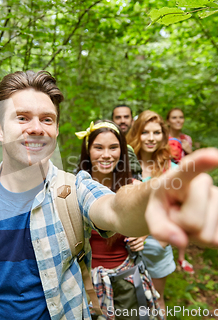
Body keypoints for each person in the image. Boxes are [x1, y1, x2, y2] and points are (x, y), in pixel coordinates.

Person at [0, 70, 218, 320]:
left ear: (55, 129)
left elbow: (115, 208)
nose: (37, 128)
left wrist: (156, 197)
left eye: (47, 119)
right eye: (23, 118)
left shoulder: (75, 189)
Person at [75, 120, 158, 319]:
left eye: (113, 147)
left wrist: (143, 233)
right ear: (88, 150)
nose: (106, 155)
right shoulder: (72, 189)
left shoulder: (134, 187)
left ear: (122, 151)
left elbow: (154, 218)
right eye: (98, 147)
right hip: (85, 283)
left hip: (126, 281)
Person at [126, 110, 182, 315]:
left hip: (157, 245)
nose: (151, 138)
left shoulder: (173, 170)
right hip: (126, 247)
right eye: (145, 132)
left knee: (157, 301)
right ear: (137, 133)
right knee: (128, 303)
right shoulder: (124, 165)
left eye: (156, 133)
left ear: (163, 136)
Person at [166, 108, 195, 273]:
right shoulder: (163, 137)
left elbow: (191, 162)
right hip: (168, 179)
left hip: (185, 180)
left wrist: (188, 150)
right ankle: (166, 249)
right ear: (168, 120)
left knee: (185, 215)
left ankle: (182, 257)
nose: (178, 120)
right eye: (174, 117)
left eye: (181, 117)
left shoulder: (186, 139)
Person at [112, 105, 142, 177]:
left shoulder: (142, 143)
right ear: (112, 121)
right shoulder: (106, 145)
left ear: (132, 121)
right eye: (118, 117)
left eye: (126, 117)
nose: (122, 121)